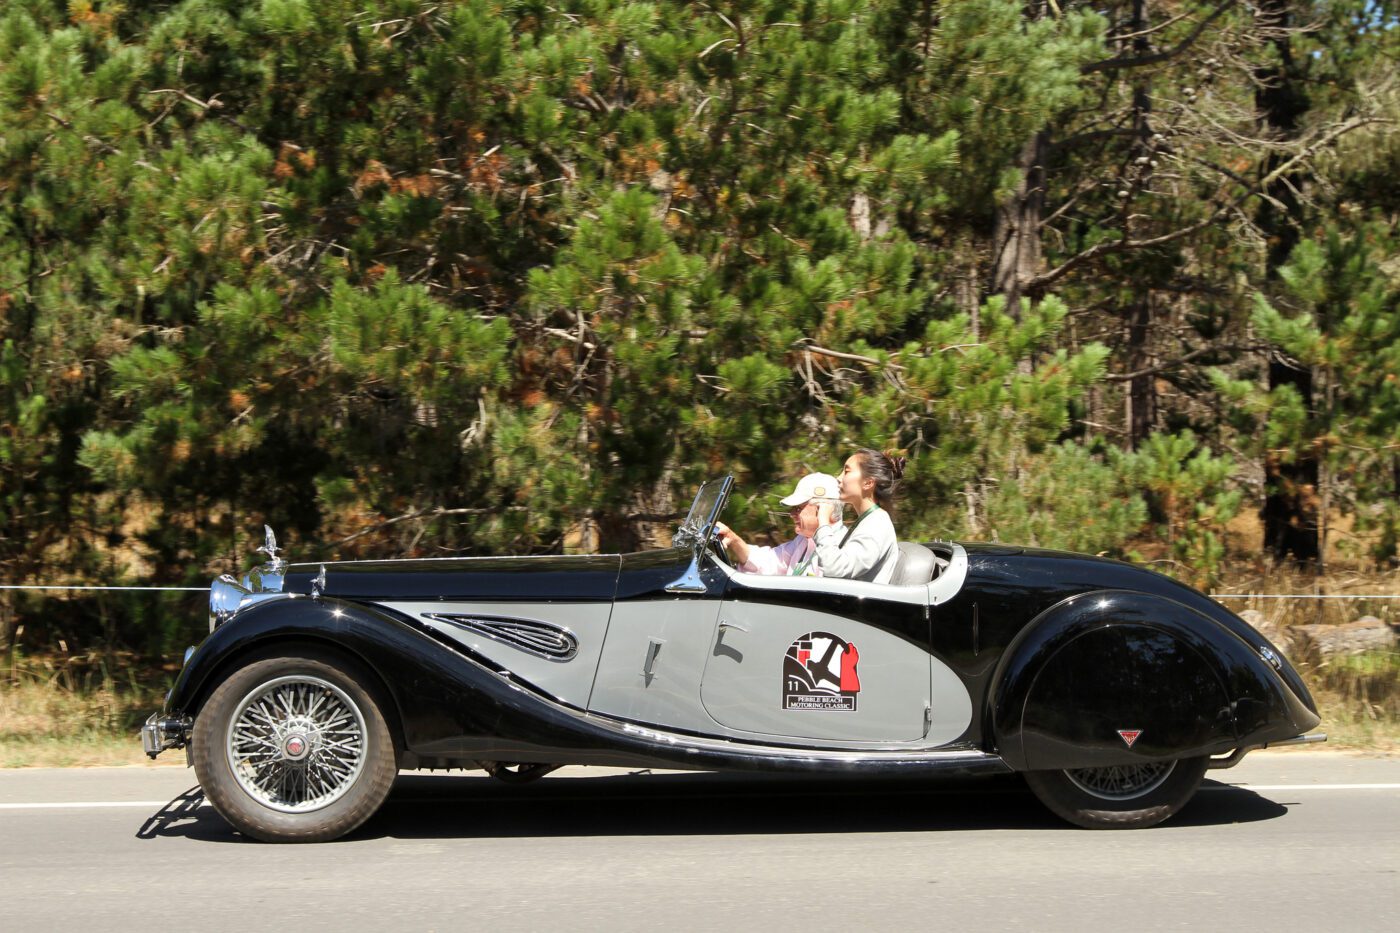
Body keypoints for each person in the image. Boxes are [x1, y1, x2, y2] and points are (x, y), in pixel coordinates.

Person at [714, 473, 840, 576]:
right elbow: (769, 562)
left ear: (823, 509)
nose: (791, 514)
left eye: (799, 508)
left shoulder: (839, 549)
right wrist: (733, 539)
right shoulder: (803, 542)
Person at [812, 449, 905, 583]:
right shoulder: (869, 521)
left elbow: (834, 568)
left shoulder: (877, 525)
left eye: (847, 471)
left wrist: (823, 523)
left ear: (868, 483)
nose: (839, 478)